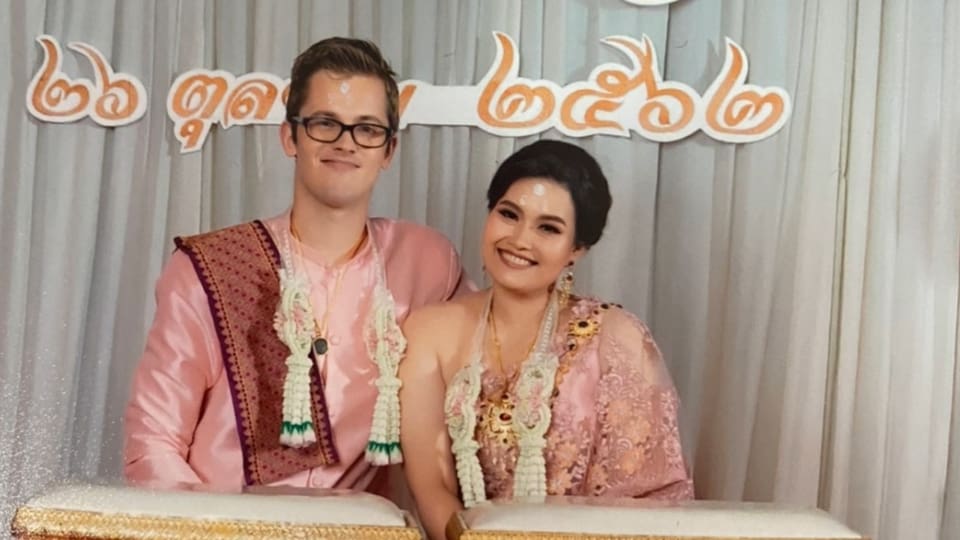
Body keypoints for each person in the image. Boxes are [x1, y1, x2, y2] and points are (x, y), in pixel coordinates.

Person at [123, 37, 471, 496]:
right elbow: (151, 443)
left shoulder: (425, 264)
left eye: (367, 129)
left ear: (389, 150)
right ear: (290, 136)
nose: (346, 143)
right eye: (325, 123)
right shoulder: (208, 270)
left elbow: (486, 380)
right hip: (222, 528)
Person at [399, 140, 693, 539]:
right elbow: (431, 487)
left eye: (548, 228)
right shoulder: (429, 332)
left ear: (577, 249)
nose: (520, 239)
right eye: (508, 214)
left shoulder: (617, 338)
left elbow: (647, 501)